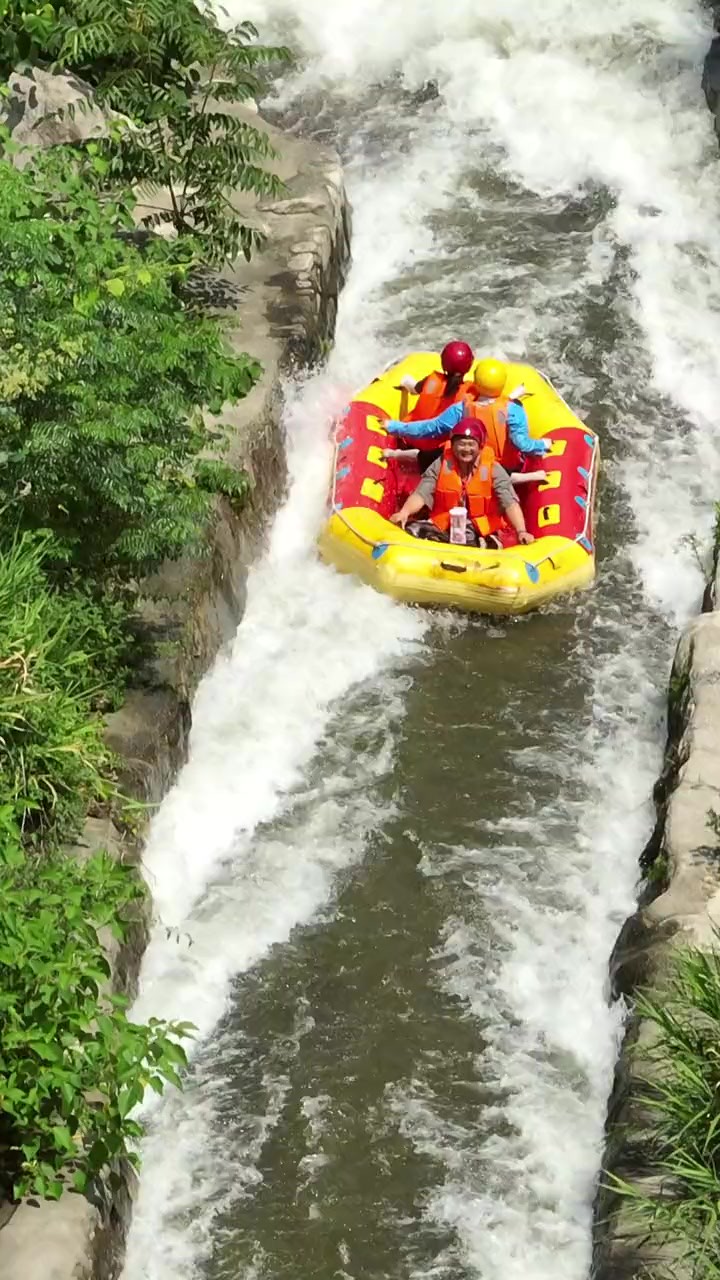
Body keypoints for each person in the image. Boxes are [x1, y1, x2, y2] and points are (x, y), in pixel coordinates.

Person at [390, 419, 535, 547]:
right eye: (461, 444)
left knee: (479, 543)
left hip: (482, 530)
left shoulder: (494, 469)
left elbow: (509, 502)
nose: (466, 449)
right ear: (452, 446)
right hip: (444, 525)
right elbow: (422, 493)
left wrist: (521, 531)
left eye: (471, 444)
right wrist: (404, 512)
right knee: (410, 530)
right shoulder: (441, 464)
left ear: (481, 446)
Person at [388, 357, 550, 468]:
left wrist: (395, 427)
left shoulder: (461, 409)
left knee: (438, 454)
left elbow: (429, 428)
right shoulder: (514, 409)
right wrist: (543, 444)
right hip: (503, 468)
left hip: (469, 464)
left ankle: (394, 455)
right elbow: (521, 442)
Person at [396, 340, 474, 422]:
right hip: (443, 434)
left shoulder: (432, 381)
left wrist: (405, 381)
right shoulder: (469, 392)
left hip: (410, 430)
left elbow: (416, 389)